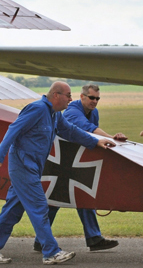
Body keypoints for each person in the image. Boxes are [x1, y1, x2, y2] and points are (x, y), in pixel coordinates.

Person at [0, 81, 116, 265]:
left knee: (13, 210)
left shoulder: (54, 115)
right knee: (39, 207)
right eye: (68, 95)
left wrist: (95, 141)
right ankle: (51, 252)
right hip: (23, 166)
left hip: (33, 167)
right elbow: (14, 129)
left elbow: (70, 131)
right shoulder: (37, 109)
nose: (71, 99)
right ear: (56, 96)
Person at [33, 84, 125, 253]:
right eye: (91, 98)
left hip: (74, 161)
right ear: (82, 97)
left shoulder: (93, 112)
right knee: (55, 200)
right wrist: (111, 138)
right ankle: (42, 240)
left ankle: (93, 238)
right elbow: (87, 128)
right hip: (60, 160)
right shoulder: (72, 111)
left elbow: (92, 136)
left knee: (84, 197)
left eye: (97, 98)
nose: (95, 102)